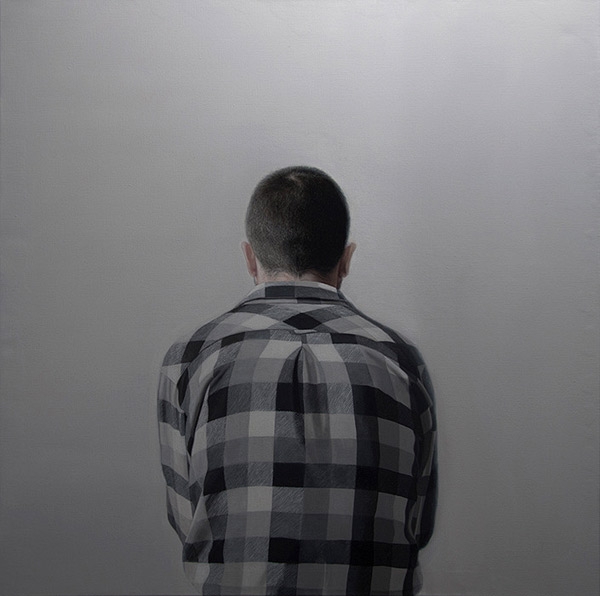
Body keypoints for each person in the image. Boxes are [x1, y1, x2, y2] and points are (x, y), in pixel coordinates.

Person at [157, 166, 437, 596]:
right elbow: (418, 524)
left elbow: (192, 522)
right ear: (346, 260)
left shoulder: (191, 357)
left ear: (250, 259)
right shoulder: (401, 359)